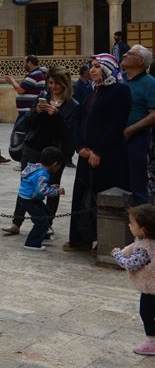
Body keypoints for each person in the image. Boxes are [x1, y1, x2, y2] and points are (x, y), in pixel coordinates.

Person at [67, 54, 132, 252]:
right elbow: (78, 119)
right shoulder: (91, 91)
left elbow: (116, 124)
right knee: (83, 195)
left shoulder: (120, 91)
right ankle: (82, 239)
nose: (92, 70)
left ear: (108, 69)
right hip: (87, 154)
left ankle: (106, 241)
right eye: (91, 66)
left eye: (97, 66)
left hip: (109, 156)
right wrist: (80, 147)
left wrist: (99, 151)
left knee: (105, 194)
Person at [4, 67, 79, 236]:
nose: (53, 87)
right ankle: (17, 222)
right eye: (50, 83)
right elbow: (28, 122)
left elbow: (68, 132)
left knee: (52, 187)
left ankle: (46, 222)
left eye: (57, 83)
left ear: (65, 84)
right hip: (33, 148)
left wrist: (57, 116)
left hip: (54, 153)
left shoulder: (72, 105)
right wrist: (37, 112)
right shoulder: (42, 98)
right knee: (26, 184)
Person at [110, 203, 155, 356]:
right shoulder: (147, 242)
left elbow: (130, 264)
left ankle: (151, 342)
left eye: (132, 223)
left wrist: (117, 254)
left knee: (147, 313)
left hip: (151, 290)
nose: (129, 225)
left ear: (143, 229)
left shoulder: (144, 248)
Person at [120, 45, 155, 205]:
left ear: (140, 61)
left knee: (137, 184)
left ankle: (142, 224)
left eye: (130, 53)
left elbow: (153, 114)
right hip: (117, 138)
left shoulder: (150, 83)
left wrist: (131, 129)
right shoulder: (121, 81)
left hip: (137, 140)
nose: (125, 54)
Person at [15, 147, 66, 251]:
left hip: (28, 197)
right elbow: (42, 190)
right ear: (55, 164)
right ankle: (32, 243)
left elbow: (37, 185)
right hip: (29, 200)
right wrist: (57, 191)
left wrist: (51, 187)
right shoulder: (43, 174)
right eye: (59, 165)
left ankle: (43, 235)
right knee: (41, 221)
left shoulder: (37, 167)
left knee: (46, 214)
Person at [5, 55, 47, 119]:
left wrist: (11, 80)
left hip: (28, 111)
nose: (23, 65)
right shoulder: (36, 74)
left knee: (20, 128)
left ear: (29, 63)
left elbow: (20, 90)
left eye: (24, 63)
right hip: (28, 110)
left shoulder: (35, 74)